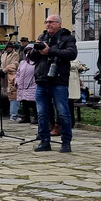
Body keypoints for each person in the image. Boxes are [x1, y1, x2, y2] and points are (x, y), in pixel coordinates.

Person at [29, 14, 78, 153]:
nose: (48, 24)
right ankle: (44, 141)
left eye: (51, 22)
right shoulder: (42, 37)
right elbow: (31, 57)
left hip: (58, 80)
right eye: (46, 22)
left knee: (63, 113)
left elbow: (72, 53)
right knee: (42, 113)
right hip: (41, 80)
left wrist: (49, 51)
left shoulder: (67, 38)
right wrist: (36, 49)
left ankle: (66, 142)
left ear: (59, 24)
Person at [15, 45, 37, 124]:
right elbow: (18, 73)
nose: (28, 52)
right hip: (22, 85)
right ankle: (26, 117)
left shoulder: (36, 62)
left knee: (33, 102)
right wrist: (16, 81)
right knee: (24, 102)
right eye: (26, 51)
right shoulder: (22, 62)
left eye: (30, 50)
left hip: (32, 85)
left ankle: (36, 117)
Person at [0, 42, 19, 121]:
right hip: (3, 75)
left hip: (11, 75)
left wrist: (4, 70)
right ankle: (4, 110)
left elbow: (14, 64)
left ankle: (12, 113)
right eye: (7, 47)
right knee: (3, 93)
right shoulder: (3, 54)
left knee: (11, 93)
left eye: (10, 47)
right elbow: (1, 63)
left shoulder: (15, 54)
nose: (8, 49)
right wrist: (1, 70)